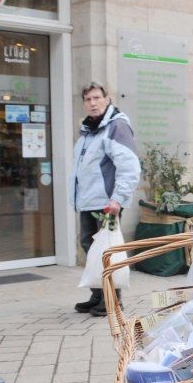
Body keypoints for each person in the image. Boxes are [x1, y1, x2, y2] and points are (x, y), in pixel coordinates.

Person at [70, 82, 140, 317]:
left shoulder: (116, 126)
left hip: (107, 205)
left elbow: (129, 167)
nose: (93, 103)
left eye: (97, 98)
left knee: (108, 250)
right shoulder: (89, 130)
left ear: (107, 99)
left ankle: (113, 299)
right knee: (90, 247)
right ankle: (98, 294)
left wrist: (117, 200)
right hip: (89, 203)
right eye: (88, 99)